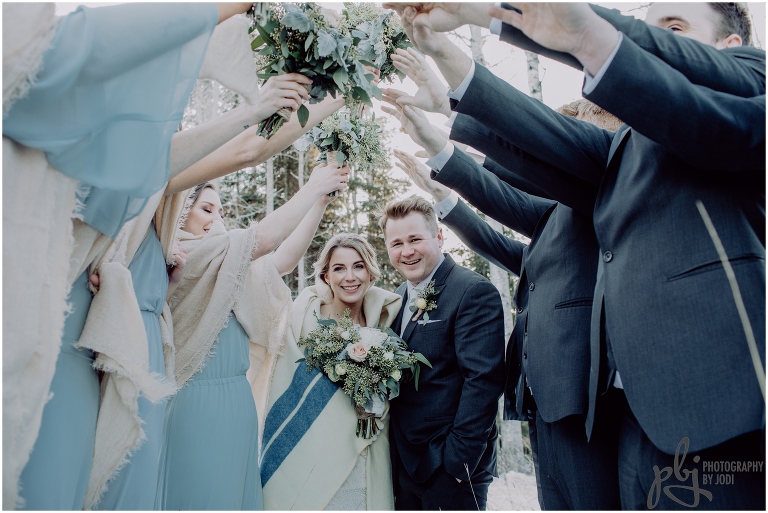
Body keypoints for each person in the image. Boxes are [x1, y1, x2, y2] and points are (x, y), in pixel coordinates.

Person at [389, 2, 766, 509]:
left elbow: (693, 99)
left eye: (674, 28)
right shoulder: (622, 153)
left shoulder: (750, 86)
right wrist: (448, 71)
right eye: (648, 29)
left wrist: (582, 31)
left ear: (729, 48)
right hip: (634, 420)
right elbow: (547, 141)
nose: (650, 42)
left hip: (720, 416)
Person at [3, 3, 254, 509]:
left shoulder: (118, 175)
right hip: (46, 340)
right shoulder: (42, 113)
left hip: (88, 351)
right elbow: (92, 43)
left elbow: (241, 149)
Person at [384, 42, 626, 509]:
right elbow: (500, 235)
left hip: (584, 392)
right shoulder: (553, 216)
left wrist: (446, 144)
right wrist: (444, 180)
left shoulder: (596, 198)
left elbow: (514, 190)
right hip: (545, 400)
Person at [157, 162, 348, 510]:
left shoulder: (225, 262)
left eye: (220, 211)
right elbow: (267, 239)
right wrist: (314, 186)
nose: (216, 219)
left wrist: (320, 202)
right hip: (194, 401)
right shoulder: (178, 255)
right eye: (206, 209)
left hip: (237, 401)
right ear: (178, 211)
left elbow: (281, 261)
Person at [377, 196, 504, 510]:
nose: (407, 251)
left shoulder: (472, 291)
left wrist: (457, 465)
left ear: (439, 236)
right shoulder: (396, 297)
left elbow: (483, 382)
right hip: (403, 465)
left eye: (415, 239)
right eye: (396, 243)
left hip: (449, 469)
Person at [261, 233, 402, 510]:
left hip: (367, 455)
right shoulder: (303, 323)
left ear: (370, 272)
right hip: (313, 454)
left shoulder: (386, 323)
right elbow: (286, 389)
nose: (350, 277)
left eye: (358, 266)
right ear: (326, 276)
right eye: (339, 268)